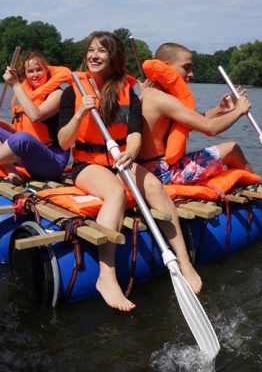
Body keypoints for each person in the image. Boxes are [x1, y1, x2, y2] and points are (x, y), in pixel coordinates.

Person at [58, 31, 202, 312]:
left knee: (154, 187)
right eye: (91, 50)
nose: (94, 56)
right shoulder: (73, 91)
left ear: (115, 58)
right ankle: (106, 277)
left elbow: (134, 135)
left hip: (118, 159)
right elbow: (64, 140)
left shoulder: (127, 93)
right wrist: (81, 114)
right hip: (87, 164)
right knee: (115, 192)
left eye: (102, 51)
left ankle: (184, 263)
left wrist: (130, 155)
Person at [137, 42, 253, 186]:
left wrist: (220, 110)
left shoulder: (153, 94)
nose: (191, 74)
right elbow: (211, 128)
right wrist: (239, 111)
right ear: (166, 66)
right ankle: (254, 191)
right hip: (161, 174)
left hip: (154, 169)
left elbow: (191, 122)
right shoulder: (159, 98)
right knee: (232, 149)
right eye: (186, 68)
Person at [0, 52, 71, 184]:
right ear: (26, 74)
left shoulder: (57, 94)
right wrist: (1, 124)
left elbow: (35, 116)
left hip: (52, 162)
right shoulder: (27, 94)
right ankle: (12, 171)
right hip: (27, 155)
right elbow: (18, 131)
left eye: (39, 69)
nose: (35, 74)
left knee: (22, 139)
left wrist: (16, 85)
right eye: (30, 71)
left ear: (47, 70)